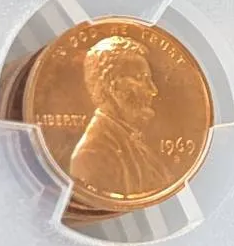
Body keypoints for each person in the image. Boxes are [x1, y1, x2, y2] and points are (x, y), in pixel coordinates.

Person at [69, 35, 170, 199]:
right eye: (141, 79)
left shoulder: (131, 141)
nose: (153, 90)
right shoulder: (91, 156)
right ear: (113, 87)